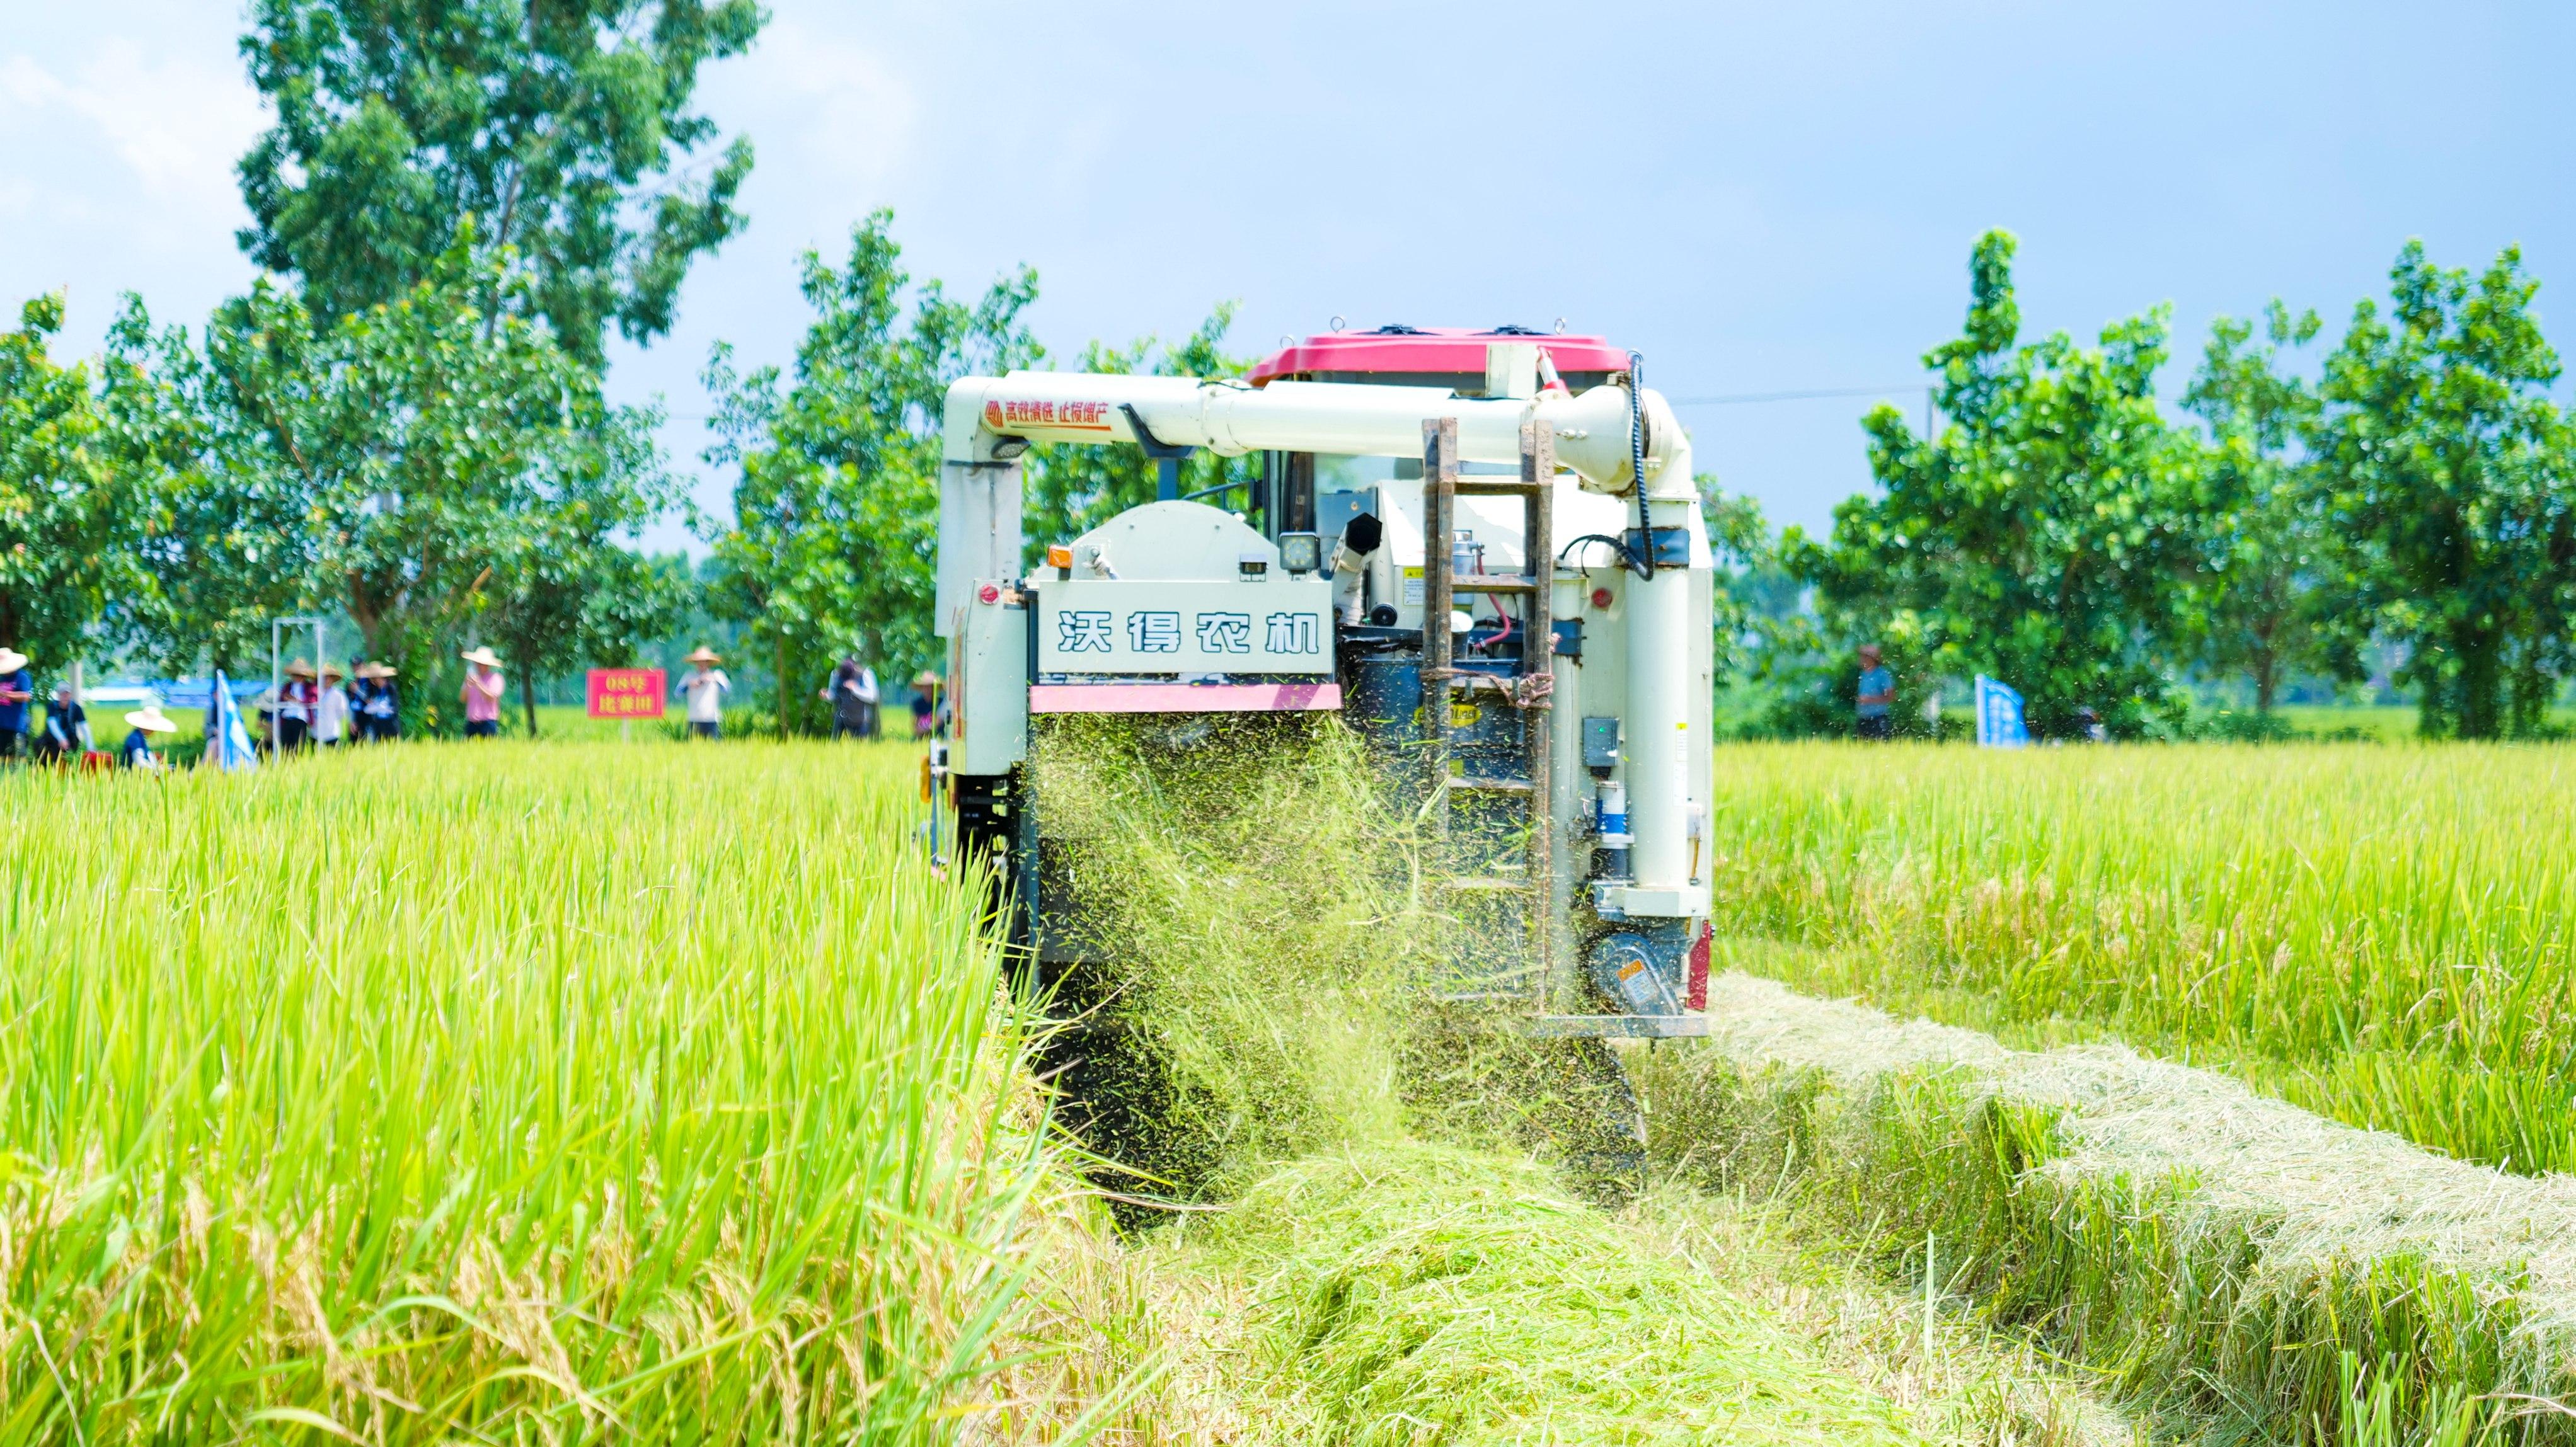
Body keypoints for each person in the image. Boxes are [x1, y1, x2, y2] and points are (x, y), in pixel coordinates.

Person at [824, 656, 878, 740]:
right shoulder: (836, 674)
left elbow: (872, 697)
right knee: (834, 746)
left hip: (860, 720)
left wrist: (855, 689)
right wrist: (827, 695)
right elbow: (834, 695)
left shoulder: (865, 674)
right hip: (841, 718)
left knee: (860, 749)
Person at [680, 647, 728, 740]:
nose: (702, 664)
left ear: (709, 663)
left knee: (714, 745)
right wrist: (689, 685)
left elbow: (726, 690)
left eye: (705, 661)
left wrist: (714, 680)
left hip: (712, 718)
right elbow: (678, 693)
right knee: (692, 745)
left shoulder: (717, 674)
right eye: (699, 661)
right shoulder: (689, 676)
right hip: (694, 718)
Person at [36, 680, 88, 763]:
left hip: (70, 737)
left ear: (70, 695)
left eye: (67, 694)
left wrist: (91, 746)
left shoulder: (76, 708)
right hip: (53, 737)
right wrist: (62, 739)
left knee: (74, 746)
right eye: (62, 694)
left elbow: (84, 726)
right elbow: (52, 724)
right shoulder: (52, 706)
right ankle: (45, 767)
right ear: (58, 695)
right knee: (39, 743)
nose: (65, 696)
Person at [459, 647, 506, 738]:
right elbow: (462, 699)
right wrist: (467, 685)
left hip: (488, 722)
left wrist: (478, 684)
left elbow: (492, 697)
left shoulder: (496, 678)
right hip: (472, 722)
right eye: (478, 663)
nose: (480, 666)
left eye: (482, 664)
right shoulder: (470, 678)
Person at [1854, 644, 1895, 741]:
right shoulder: (1864, 674)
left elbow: (1891, 696)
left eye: (1863, 656)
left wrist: (1869, 699)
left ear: (1871, 658)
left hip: (1877, 719)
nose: (1861, 659)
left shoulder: (1882, 674)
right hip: (1863, 717)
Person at [121, 705, 177, 770]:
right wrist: (159, 769)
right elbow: (140, 763)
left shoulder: (140, 737)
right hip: (133, 776)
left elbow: (148, 756)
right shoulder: (135, 739)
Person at [277, 660, 318, 751]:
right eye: (294, 675)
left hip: (300, 719)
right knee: (285, 747)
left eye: (299, 675)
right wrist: (286, 698)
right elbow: (280, 698)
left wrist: (298, 701)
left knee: (298, 747)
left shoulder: (310, 687)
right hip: (287, 719)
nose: (296, 677)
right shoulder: (287, 686)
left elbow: (313, 700)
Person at [355, 662, 401, 740]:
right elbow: (368, 706)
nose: (374, 681)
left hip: (391, 724)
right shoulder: (374, 690)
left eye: (376, 678)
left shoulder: (390, 688)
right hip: (379, 725)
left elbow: (394, 708)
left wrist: (379, 707)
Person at [0, 648, 32, 760]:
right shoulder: (2, 678)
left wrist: (5, 694)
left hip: (16, 725)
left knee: (16, 756)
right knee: (3, 756)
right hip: (2, 724)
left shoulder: (22, 677)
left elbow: (26, 696)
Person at [314, 663, 351, 747]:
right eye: (324, 678)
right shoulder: (315, 693)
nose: (326, 680)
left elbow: (342, 712)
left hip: (332, 730)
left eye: (329, 678)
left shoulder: (338, 694)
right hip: (316, 730)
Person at [910, 672, 939, 739]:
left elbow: (939, 721)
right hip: (921, 735)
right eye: (925, 687)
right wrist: (919, 730)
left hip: (937, 735)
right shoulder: (917, 703)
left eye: (930, 687)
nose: (928, 690)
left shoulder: (940, 702)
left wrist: (929, 728)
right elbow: (915, 722)